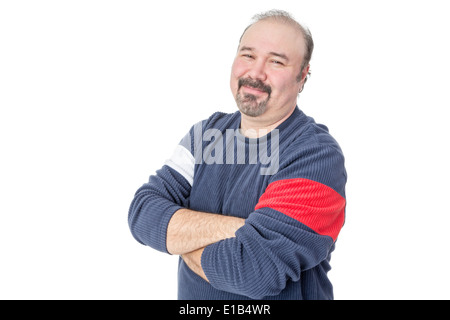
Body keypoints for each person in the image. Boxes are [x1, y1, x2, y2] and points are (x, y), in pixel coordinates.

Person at [128, 9, 347, 300]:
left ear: (302, 76)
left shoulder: (316, 156)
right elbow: (142, 214)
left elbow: (252, 273)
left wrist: (178, 238)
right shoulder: (205, 135)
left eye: (276, 61)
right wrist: (241, 229)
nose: (255, 73)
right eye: (247, 55)